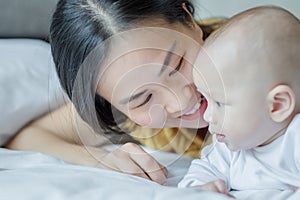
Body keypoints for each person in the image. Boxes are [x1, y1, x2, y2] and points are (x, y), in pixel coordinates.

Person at [6, 0, 225, 185]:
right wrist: (100, 160)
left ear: (188, 20)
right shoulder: (125, 116)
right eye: (144, 99)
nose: (179, 101)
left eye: (177, 65)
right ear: (109, 104)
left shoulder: (250, 54)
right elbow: (29, 137)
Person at [178, 6, 300, 196]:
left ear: (277, 105)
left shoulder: (295, 139)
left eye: (219, 103)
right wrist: (199, 189)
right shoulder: (227, 149)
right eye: (206, 100)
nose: (208, 115)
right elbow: (202, 172)